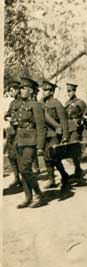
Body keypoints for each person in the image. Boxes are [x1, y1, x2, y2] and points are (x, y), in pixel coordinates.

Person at [14, 77, 46, 208]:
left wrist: (40, 146)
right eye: (20, 88)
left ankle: (39, 194)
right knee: (22, 170)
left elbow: (41, 127)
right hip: (20, 140)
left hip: (31, 141)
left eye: (23, 88)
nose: (20, 90)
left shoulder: (36, 105)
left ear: (31, 91)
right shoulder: (21, 105)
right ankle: (28, 197)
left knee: (25, 168)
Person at [41, 80, 70, 190]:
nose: (44, 92)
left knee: (54, 157)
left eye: (47, 90)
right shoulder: (41, 103)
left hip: (54, 134)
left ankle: (64, 176)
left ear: (52, 92)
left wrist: (65, 136)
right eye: (43, 90)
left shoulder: (56, 103)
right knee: (46, 158)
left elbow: (63, 121)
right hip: (44, 134)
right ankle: (51, 179)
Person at [64, 81, 86, 178]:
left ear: (74, 91)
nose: (69, 93)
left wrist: (80, 121)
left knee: (74, 148)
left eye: (71, 91)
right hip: (68, 127)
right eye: (68, 91)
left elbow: (86, 114)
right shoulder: (67, 103)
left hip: (76, 128)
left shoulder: (80, 102)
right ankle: (77, 168)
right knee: (70, 149)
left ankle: (78, 169)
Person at [4, 81, 22, 188]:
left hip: (19, 133)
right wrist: (8, 117)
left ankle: (23, 179)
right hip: (11, 133)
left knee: (19, 157)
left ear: (17, 90)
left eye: (11, 90)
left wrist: (16, 121)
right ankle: (16, 178)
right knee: (11, 156)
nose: (10, 93)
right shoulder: (12, 103)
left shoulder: (22, 102)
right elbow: (7, 114)